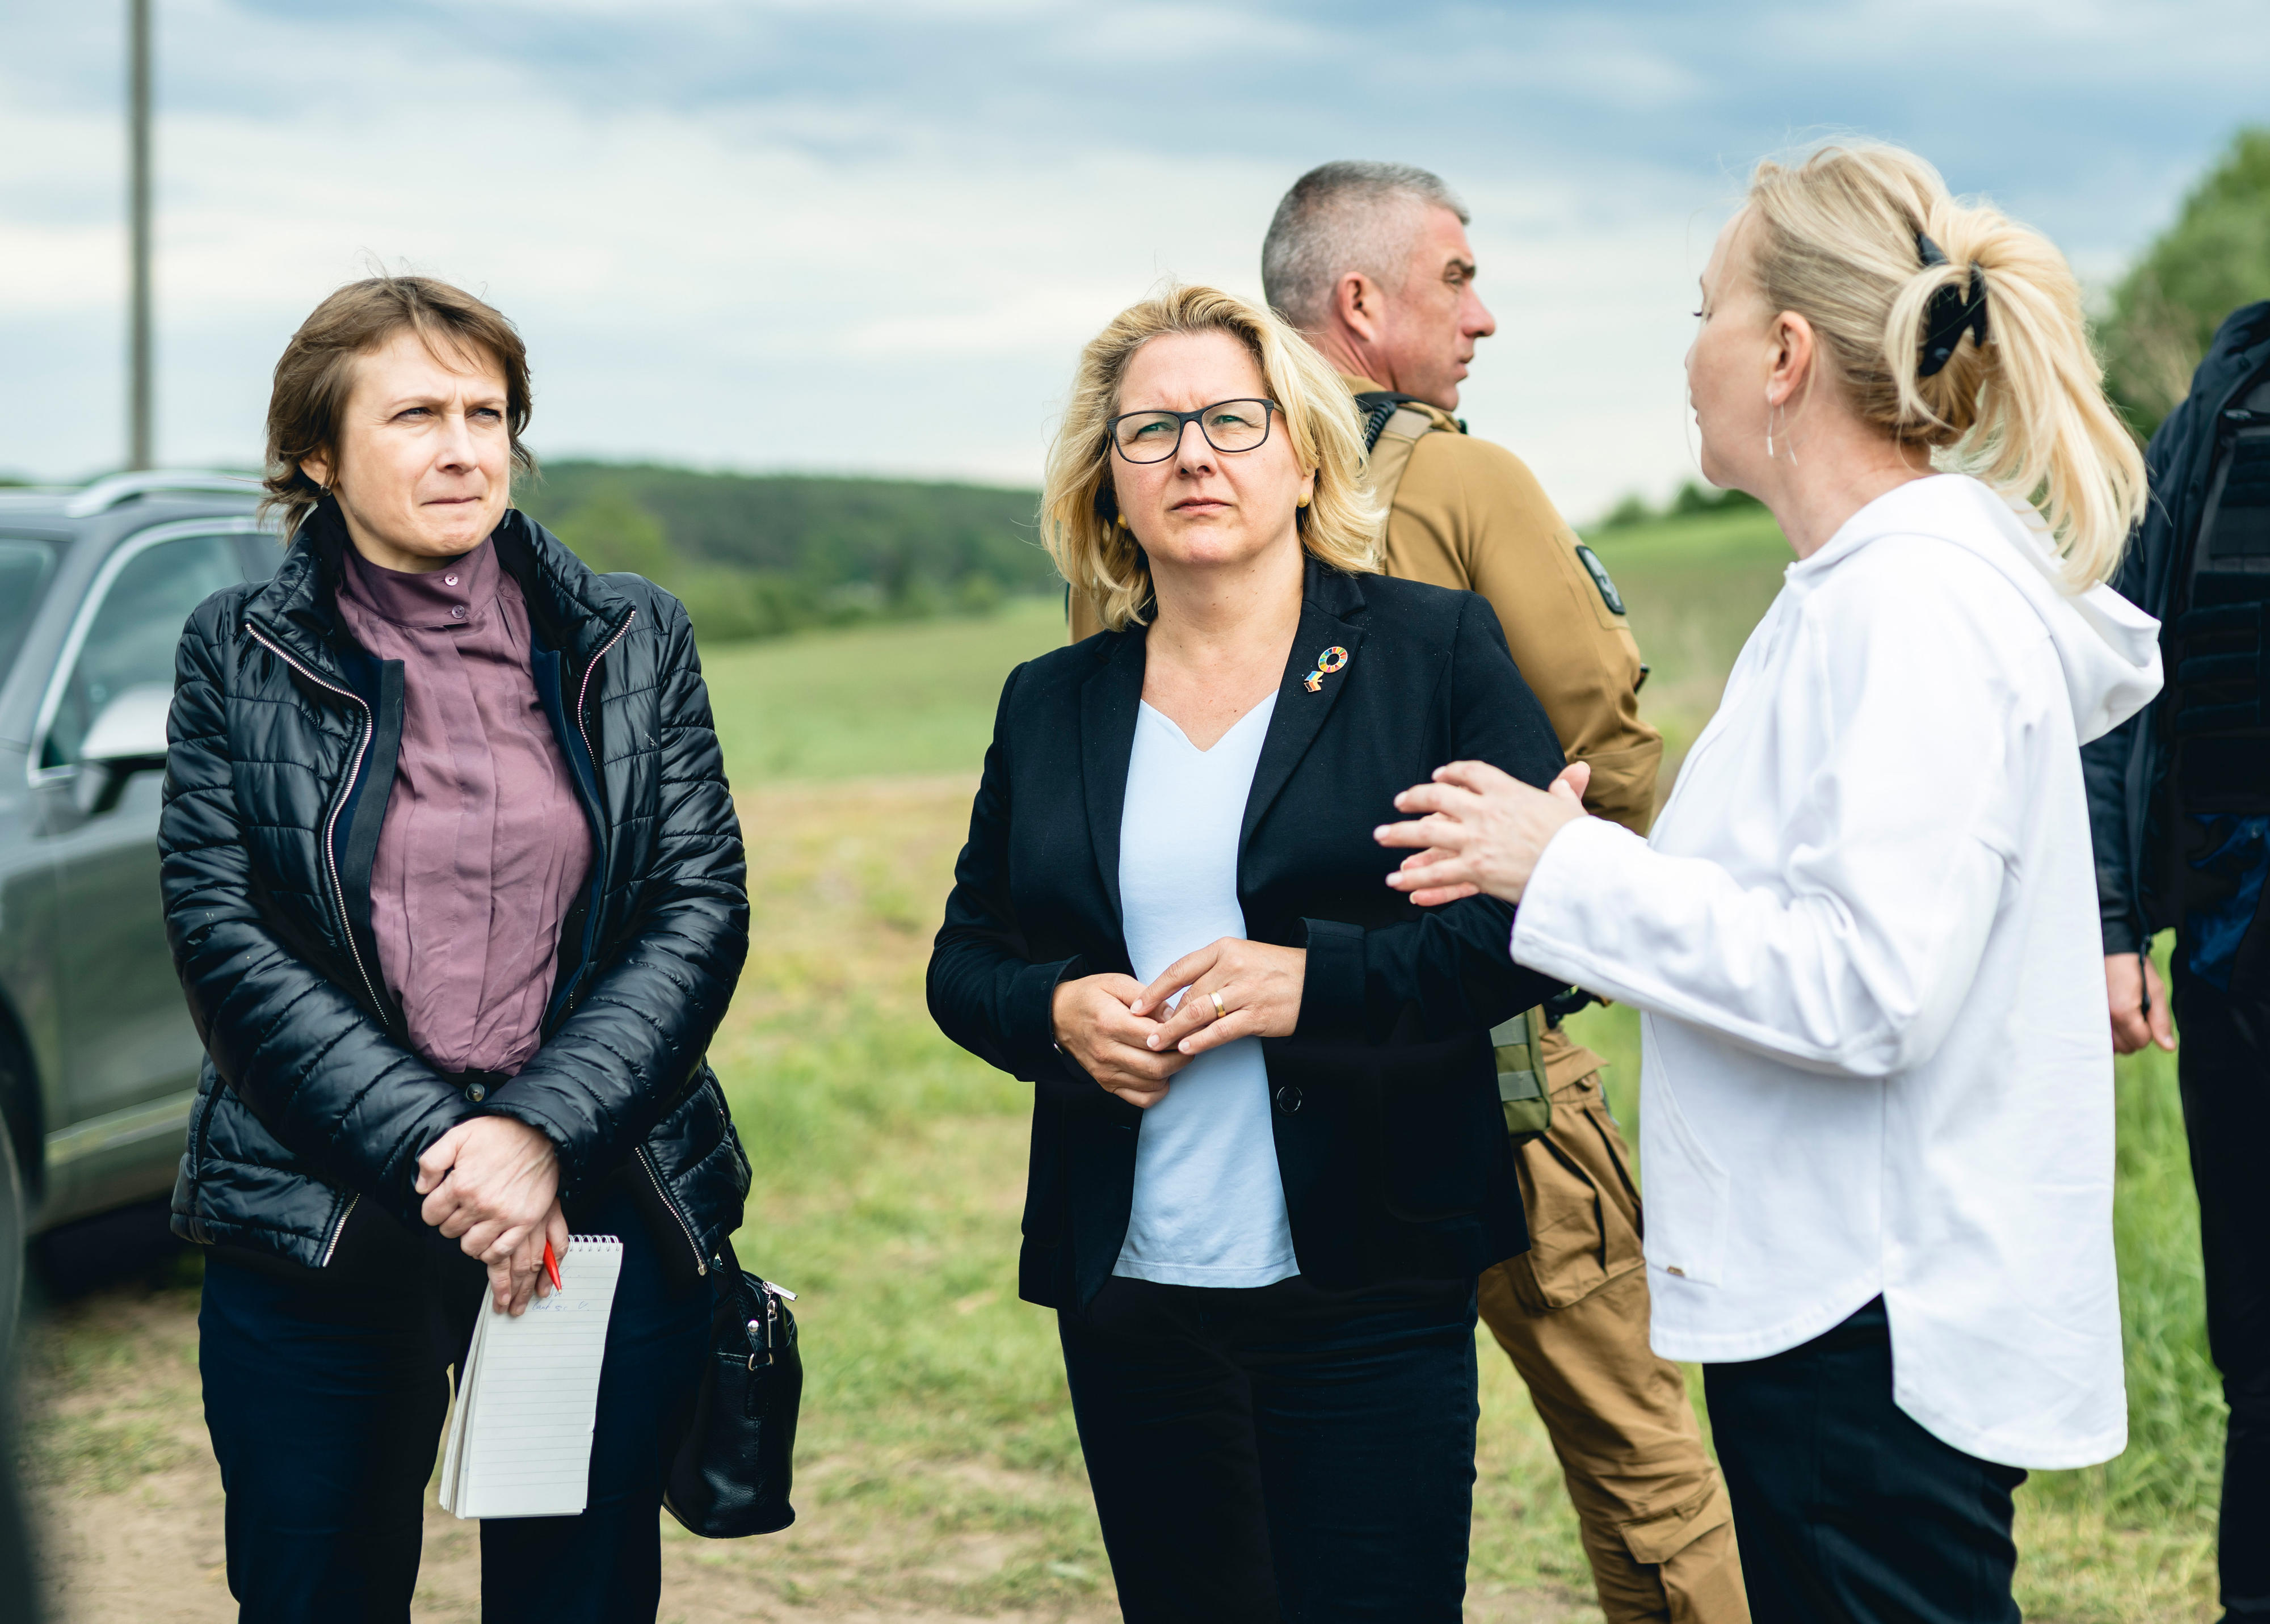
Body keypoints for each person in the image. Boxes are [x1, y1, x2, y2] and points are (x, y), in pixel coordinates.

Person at [1376, 142, 2158, 1624]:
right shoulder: (1861, 596)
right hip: (1841, 1304)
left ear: (1787, 353)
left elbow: (1867, 983)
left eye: (1705, 307)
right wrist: (1583, 860)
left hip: (1876, 1321)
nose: (1692, 352)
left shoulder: (1910, 609)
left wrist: (1571, 869)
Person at [1083, 161, 1734, 1623]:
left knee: (1240, 1497)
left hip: (1217, 1096)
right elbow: (1604, 740)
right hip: (1485, 1071)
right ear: (1358, 305)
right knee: (1636, 1459)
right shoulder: (1459, 476)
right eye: (1456, 279)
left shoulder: (1147, 510)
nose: (1482, 316)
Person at [928, 284, 1577, 1621]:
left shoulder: (1428, 653)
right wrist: (1053, 1011)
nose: (1194, 457)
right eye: (1150, 432)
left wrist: (1308, 983)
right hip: (1132, 1287)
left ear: (1302, 451)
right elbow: (964, 956)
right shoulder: (1052, 701)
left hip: (1369, 1266)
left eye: (1232, 419)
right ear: (1105, 484)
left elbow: (1527, 933)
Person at [160, 275, 751, 1624]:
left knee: (578, 1597)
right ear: (317, 454)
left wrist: (538, 1135)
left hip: (596, 1193)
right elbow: (224, 933)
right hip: (319, 1207)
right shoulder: (235, 652)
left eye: (487, 412)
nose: (463, 448)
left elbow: (695, 907)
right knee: (314, 1590)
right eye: (416, 413)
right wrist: (454, 1150)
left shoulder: (628, 635)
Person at [2084, 298, 2270, 1623]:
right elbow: (2102, 687)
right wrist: (2104, 924)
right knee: (2260, 1357)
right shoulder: (2221, 414)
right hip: (2236, 953)